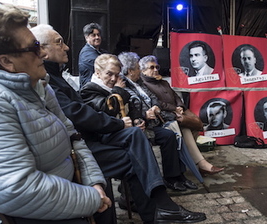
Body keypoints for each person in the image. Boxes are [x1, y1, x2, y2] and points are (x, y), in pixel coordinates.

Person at [31, 24, 206, 224]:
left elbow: (141, 103)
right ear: (42, 50)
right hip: (79, 146)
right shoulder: (58, 82)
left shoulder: (54, 77)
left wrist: (138, 117)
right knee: (135, 145)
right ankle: (161, 206)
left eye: (117, 74)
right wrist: (119, 121)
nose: (67, 48)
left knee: (139, 140)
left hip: (88, 139)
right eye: (59, 42)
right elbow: (82, 112)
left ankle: (159, 209)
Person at [0, 6, 111, 224]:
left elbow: (72, 135)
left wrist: (94, 181)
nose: (43, 54)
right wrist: (90, 199)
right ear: (6, 61)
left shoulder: (37, 84)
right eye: (34, 47)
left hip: (62, 195)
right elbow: (17, 189)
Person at [80, 53, 198, 192]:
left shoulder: (133, 83)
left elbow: (135, 105)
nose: (113, 78)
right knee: (144, 139)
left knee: (169, 136)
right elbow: (107, 109)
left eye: (116, 74)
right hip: (111, 134)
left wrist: (138, 118)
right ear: (98, 73)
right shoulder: (91, 89)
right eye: (109, 74)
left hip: (135, 126)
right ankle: (152, 187)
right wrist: (120, 91)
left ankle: (174, 177)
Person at [139, 55, 225, 177]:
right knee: (185, 128)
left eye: (157, 66)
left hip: (176, 112)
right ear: (143, 71)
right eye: (151, 67)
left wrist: (180, 106)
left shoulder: (163, 81)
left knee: (194, 125)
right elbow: (157, 103)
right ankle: (202, 164)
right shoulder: (145, 85)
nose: (155, 70)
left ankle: (190, 159)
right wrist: (174, 109)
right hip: (164, 117)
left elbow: (175, 96)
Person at [78, 22, 107, 88]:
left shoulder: (101, 51)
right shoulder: (86, 54)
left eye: (98, 35)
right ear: (86, 38)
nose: (97, 37)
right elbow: (105, 66)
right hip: (90, 91)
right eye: (93, 35)